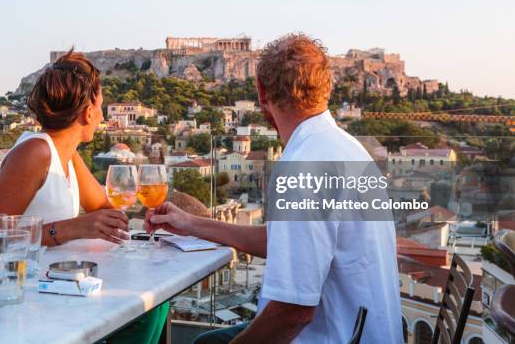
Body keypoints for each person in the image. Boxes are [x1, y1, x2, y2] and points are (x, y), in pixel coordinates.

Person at [145, 34, 402, 344]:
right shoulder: (348, 149)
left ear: (262, 93)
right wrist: (190, 223)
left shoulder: (304, 167)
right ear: (328, 89)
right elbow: (281, 239)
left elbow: (293, 313)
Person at [0, 49, 167, 344]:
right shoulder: (35, 151)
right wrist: (71, 228)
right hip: (24, 295)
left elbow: (106, 210)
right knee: (147, 306)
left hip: (58, 283)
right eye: (101, 107)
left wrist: (150, 209)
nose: (103, 116)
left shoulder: (65, 154)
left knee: (154, 300)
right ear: (88, 112)